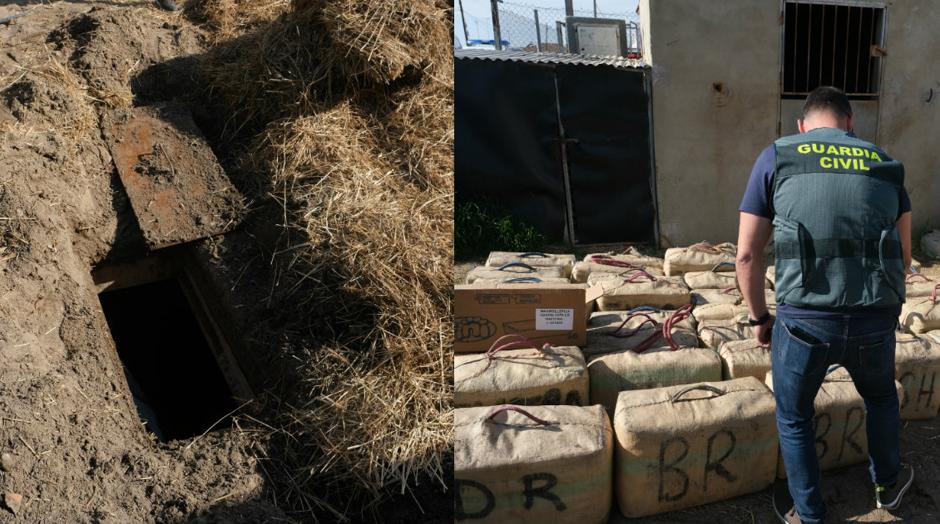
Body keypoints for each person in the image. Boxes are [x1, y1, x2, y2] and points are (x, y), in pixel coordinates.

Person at [735, 86, 914, 524]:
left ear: (802, 126)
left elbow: (745, 256)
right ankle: (887, 488)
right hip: (874, 318)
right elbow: (905, 259)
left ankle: (809, 513)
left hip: (804, 324)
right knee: (881, 399)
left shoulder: (777, 156)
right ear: (850, 123)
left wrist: (760, 316)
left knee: (794, 416)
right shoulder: (885, 164)